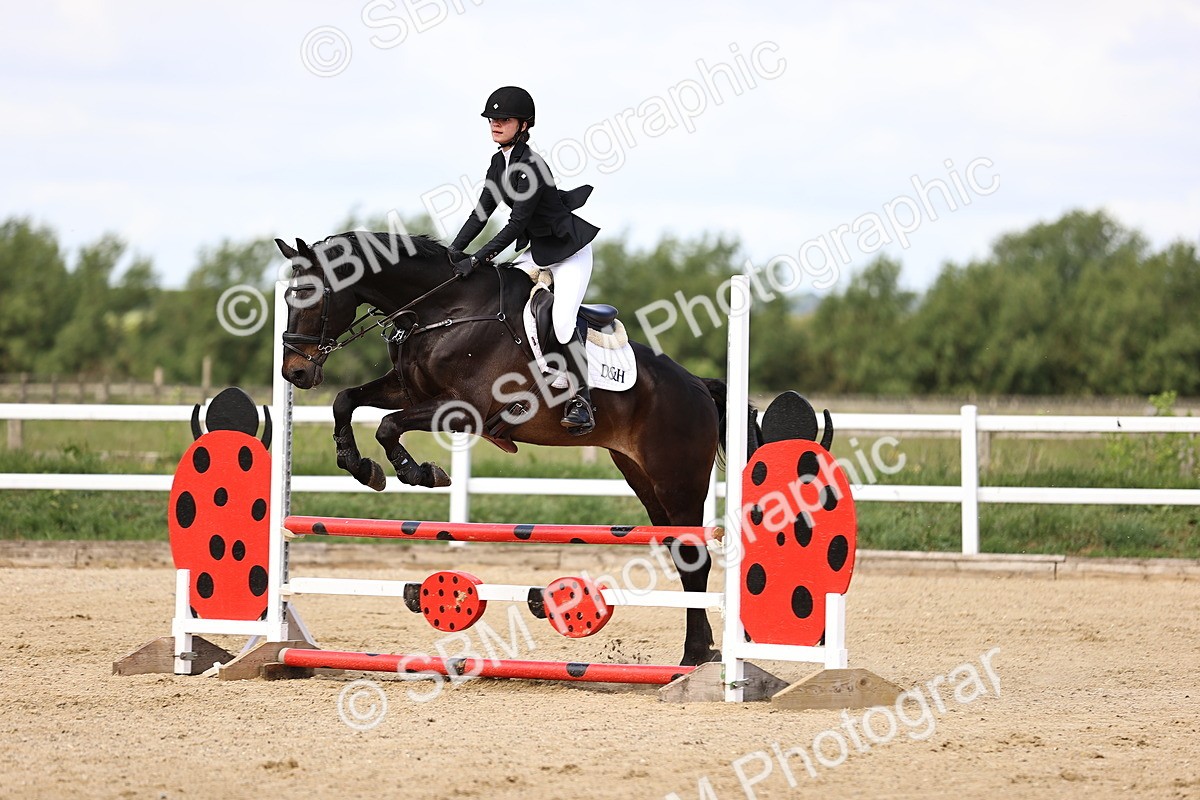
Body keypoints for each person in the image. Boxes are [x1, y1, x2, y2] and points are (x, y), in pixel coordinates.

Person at [448, 86, 600, 435]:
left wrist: (477, 258)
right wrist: (453, 253)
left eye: (503, 119)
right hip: (539, 251)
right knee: (506, 301)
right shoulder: (499, 162)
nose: (495, 124)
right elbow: (481, 214)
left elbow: (515, 224)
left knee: (562, 320)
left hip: (569, 253)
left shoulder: (530, 166)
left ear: (524, 124)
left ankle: (582, 399)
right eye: (492, 119)